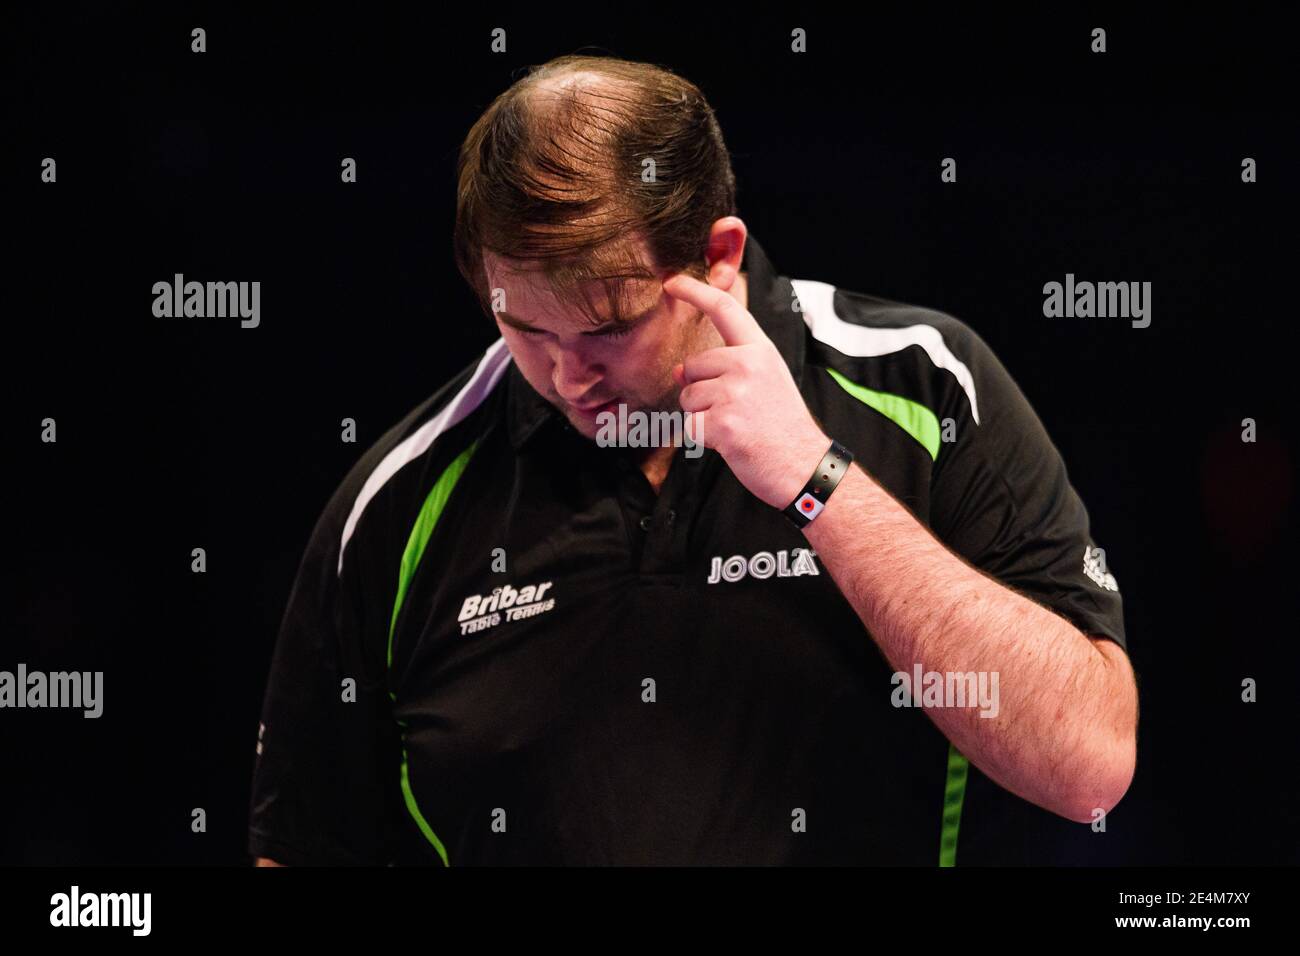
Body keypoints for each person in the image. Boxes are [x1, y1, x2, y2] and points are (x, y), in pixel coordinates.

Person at [248, 54, 1137, 866]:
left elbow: (1089, 762)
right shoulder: (403, 497)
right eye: (521, 325)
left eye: (609, 328)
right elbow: (299, 846)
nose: (565, 377)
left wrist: (817, 479)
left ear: (717, 258)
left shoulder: (921, 382)